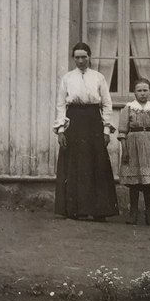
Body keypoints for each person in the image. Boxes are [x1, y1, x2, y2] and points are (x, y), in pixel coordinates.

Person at [52, 42, 119, 222]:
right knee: (74, 164)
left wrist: (106, 129)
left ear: (90, 57)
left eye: (84, 57)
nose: (81, 61)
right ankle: (74, 210)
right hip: (73, 121)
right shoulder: (67, 78)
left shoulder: (98, 77)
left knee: (97, 164)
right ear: (73, 58)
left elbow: (106, 104)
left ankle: (99, 211)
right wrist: (61, 130)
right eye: (77, 57)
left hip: (93, 121)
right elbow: (60, 105)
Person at [116, 80, 150, 226]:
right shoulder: (128, 108)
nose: (143, 93)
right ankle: (133, 214)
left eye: (145, 90)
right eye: (139, 90)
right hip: (133, 145)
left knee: (148, 183)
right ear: (134, 92)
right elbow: (122, 131)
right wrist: (125, 150)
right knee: (134, 182)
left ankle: (149, 214)